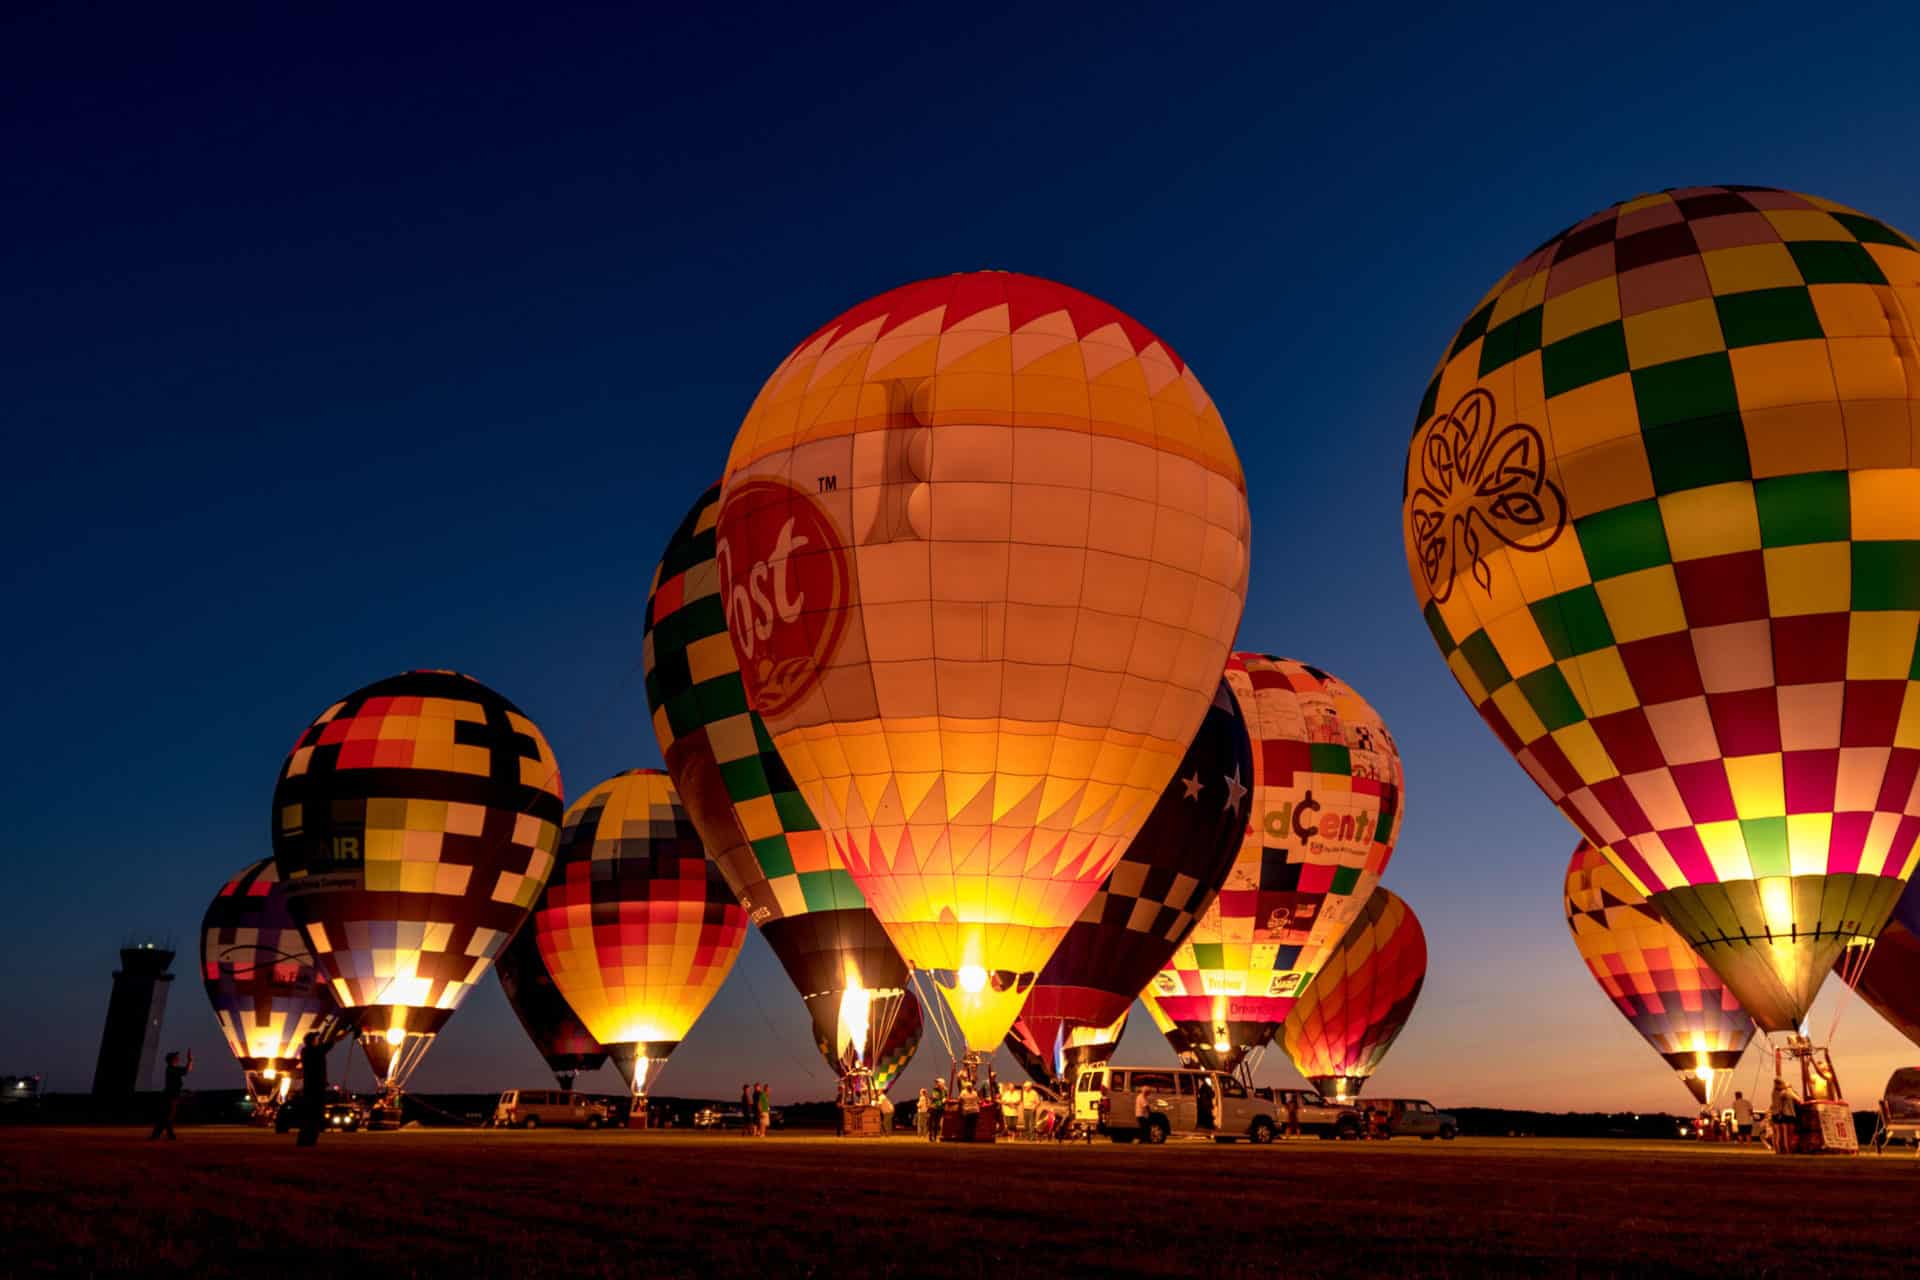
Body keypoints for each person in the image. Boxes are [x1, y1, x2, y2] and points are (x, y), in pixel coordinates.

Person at [149, 1049, 191, 1140]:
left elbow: (185, 1071)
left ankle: (161, 1135)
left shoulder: (171, 1069)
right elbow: (186, 1070)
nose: (178, 1058)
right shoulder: (171, 1069)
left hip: (171, 1095)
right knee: (167, 1116)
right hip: (170, 1096)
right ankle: (162, 1135)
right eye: (176, 1057)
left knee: (166, 1116)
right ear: (173, 1060)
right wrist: (190, 1060)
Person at [296, 1032, 327, 1147]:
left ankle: (304, 1140)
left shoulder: (305, 1052)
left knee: (309, 1115)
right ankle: (309, 1140)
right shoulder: (315, 1051)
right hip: (316, 1088)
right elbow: (330, 1043)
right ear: (313, 1041)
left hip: (309, 1087)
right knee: (315, 1115)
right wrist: (347, 1031)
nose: (318, 1040)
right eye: (316, 1039)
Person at [927, 1077, 946, 1142]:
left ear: (942, 1083)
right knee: (932, 1122)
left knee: (937, 1123)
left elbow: (946, 1097)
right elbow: (934, 1097)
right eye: (936, 1082)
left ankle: (934, 1137)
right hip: (934, 1108)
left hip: (940, 1108)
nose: (936, 1084)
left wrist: (945, 1099)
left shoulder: (945, 1090)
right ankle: (931, 1135)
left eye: (938, 1082)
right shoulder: (935, 1090)